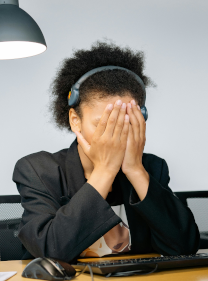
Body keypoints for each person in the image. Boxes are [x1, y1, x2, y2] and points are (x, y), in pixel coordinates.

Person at [12, 40, 200, 263]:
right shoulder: (39, 171)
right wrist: (105, 171)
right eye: (103, 124)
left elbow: (184, 246)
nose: (114, 135)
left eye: (125, 123)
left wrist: (135, 170)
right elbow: (51, 252)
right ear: (75, 120)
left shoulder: (152, 168)